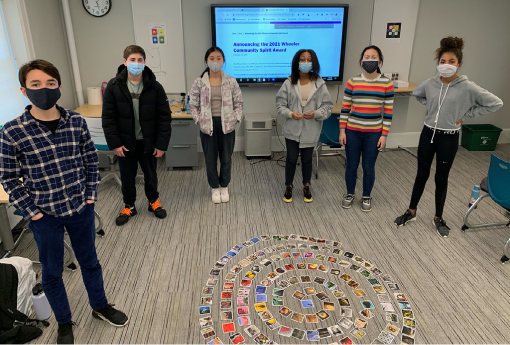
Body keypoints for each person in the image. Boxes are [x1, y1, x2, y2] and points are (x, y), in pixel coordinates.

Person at [0, 60, 128, 344]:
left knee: (90, 262)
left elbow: (90, 161)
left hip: (81, 209)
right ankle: (63, 321)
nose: (43, 89)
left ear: (59, 87)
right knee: (52, 272)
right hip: (45, 215)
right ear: (24, 90)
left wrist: (91, 195)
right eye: (35, 85)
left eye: (49, 83)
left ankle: (100, 306)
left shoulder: (76, 121)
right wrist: (33, 214)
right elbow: (9, 178)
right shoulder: (12, 131)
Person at [394, 36, 503, 237]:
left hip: (449, 137)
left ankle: (438, 217)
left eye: (451, 62)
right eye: (442, 61)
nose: (446, 65)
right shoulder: (430, 83)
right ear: (438, 63)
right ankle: (411, 211)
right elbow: (417, 95)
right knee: (421, 174)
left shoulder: (467, 87)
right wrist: (431, 109)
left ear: (458, 64)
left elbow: (496, 103)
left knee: (441, 178)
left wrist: (466, 115)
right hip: (428, 133)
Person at [102, 45, 171, 225]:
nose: (136, 63)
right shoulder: (114, 86)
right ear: (125, 62)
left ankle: (153, 202)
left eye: (140, 60)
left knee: (151, 174)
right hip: (125, 143)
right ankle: (129, 206)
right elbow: (108, 118)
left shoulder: (155, 87)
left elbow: (164, 118)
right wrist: (115, 143)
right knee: (127, 176)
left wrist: (161, 144)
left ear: (144, 62)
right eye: (132, 60)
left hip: (148, 141)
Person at [339, 45, 394, 212]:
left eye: (373, 57)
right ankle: (349, 193)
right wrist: (342, 131)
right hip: (352, 131)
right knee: (351, 165)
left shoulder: (386, 83)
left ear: (380, 61)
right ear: (361, 60)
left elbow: (388, 112)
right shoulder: (353, 81)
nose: (369, 60)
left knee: (369, 166)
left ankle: (366, 195)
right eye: (366, 56)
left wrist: (384, 135)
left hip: (374, 133)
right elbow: (345, 108)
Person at [276, 49, 333, 203]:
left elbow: (328, 107)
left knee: (307, 159)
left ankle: (306, 185)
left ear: (313, 63)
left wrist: (316, 113)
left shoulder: (320, 83)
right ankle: (289, 185)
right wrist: (290, 114)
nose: (306, 63)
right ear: (297, 62)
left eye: (309, 60)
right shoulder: (289, 82)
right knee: (291, 158)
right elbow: (280, 105)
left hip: (311, 128)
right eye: (302, 59)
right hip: (292, 128)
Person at [189, 47, 243, 204]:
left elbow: (239, 103)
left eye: (219, 58)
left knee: (226, 158)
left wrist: (235, 119)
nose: (215, 61)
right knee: (210, 159)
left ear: (223, 61)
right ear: (206, 61)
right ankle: (214, 187)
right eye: (212, 58)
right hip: (208, 126)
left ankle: (224, 186)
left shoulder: (231, 81)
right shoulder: (199, 82)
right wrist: (199, 120)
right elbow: (193, 105)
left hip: (227, 125)